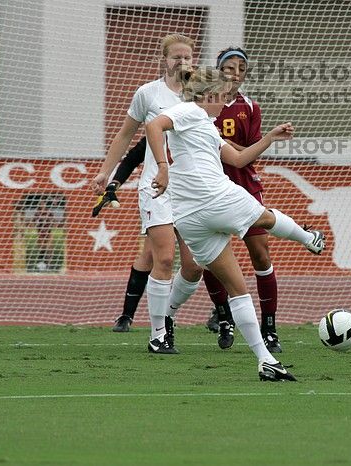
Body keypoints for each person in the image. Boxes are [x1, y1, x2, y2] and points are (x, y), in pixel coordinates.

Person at [145, 66, 325, 381]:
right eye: (224, 96)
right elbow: (154, 125)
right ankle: (308, 238)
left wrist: (269, 137)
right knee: (265, 216)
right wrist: (162, 167)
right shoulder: (189, 110)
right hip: (213, 197)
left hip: (188, 216)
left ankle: (265, 360)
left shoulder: (206, 125)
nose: (226, 102)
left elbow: (239, 160)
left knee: (238, 290)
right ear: (209, 95)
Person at [90, 34, 203, 353]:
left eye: (188, 57)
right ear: (164, 60)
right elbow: (126, 135)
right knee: (164, 257)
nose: (182, 62)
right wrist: (105, 173)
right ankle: (157, 335)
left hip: (192, 189)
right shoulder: (148, 94)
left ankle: (166, 315)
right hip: (155, 186)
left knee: (195, 266)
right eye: (176, 57)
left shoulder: (202, 95)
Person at [203, 47, 283, 353]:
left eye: (241, 68)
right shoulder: (204, 103)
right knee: (210, 257)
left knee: (260, 254)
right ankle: (224, 317)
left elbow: (247, 151)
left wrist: (224, 144)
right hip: (210, 186)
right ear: (218, 69)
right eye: (230, 67)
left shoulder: (249, 106)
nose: (236, 72)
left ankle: (270, 326)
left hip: (244, 185)